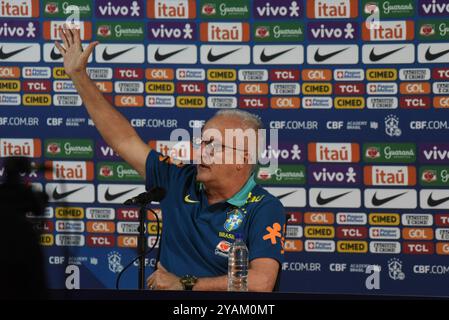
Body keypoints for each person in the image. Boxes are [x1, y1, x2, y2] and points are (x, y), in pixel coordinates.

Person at [56, 25, 286, 292]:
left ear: (241, 159)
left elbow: (262, 282)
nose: (200, 151)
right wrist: (78, 76)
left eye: (213, 145)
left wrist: (186, 284)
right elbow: (124, 140)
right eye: (201, 142)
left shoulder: (264, 207)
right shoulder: (179, 177)